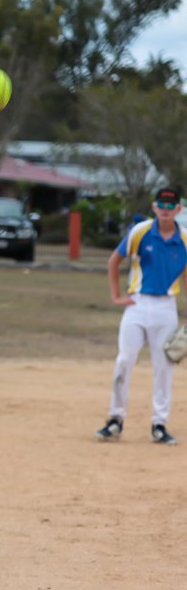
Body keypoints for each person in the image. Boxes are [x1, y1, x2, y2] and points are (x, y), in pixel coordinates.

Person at [96, 185, 187, 445]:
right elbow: (114, 261)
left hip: (166, 307)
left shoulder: (184, 239)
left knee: (164, 366)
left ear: (179, 209)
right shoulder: (141, 232)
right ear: (154, 207)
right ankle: (115, 419)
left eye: (172, 206)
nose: (166, 210)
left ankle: (159, 423)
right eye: (162, 205)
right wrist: (116, 295)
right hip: (137, 304)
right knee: (124, 360)